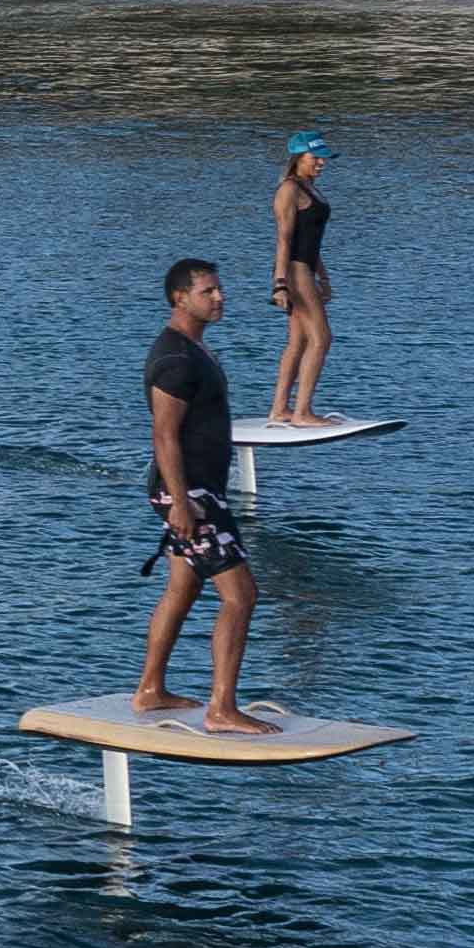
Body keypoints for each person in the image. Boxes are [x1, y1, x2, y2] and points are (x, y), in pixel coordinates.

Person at [138, 258, 270, 734]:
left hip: (198, 489)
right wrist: (181, 502)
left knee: (184, 586)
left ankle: (151, 690)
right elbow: (164, 436)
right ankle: (222, 709)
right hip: (189, 493)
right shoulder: (174, 360)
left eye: (220, 289)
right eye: (209, 291)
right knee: (241, 596)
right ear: (180, 298)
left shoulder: (194, 350)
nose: (220, 297)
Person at [263, 133, 335, 426]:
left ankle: (280, 409)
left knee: (298, 341)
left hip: (307, 268)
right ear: (297, 158)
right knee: (321, 339)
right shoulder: (289, 190)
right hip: (294, 271)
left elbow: (312, 240)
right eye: (315, 157)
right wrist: (280, 283)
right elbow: (284, 239)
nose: (321, 163)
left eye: (323, 158)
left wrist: (324, 277)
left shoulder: (310, 187)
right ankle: (302, 412)